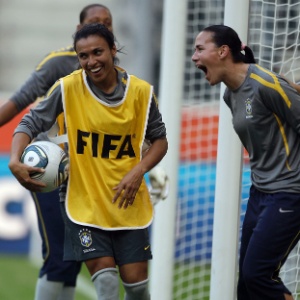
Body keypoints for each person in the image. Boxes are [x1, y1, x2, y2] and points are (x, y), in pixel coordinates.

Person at [9, 23, 168, 300]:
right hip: (84, 204)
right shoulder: (67, 88)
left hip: (126, 203)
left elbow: (160, 141)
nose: (91, 62)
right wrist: (15, 159)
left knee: (137, 288)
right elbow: (29, 122)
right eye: (84, 56)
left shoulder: (141, 93)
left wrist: (140, 170)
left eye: (97, 52)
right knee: (106, 283)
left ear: (113, 50)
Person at [0, 4, 114, 300]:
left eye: (107, 23)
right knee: (59, 255)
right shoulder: (58, 64)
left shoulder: (118, 73)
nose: (102, 27)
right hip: (50, 169)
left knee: (75, 258)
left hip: (89, 173)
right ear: (79, 30)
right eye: (94, 22)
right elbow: (21, 100)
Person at [192, 24, 300, 300]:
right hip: (260, 192)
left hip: (289, 193)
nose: (194, 57)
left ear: (223, 51)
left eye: (199, 49)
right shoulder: (230, 94)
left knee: (258, 276)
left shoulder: (265, 84)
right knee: (247, 286)